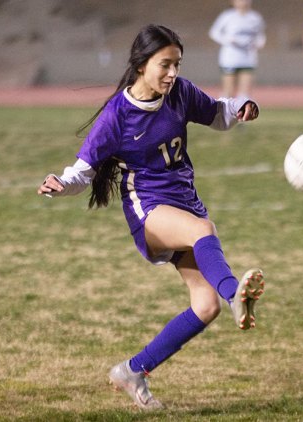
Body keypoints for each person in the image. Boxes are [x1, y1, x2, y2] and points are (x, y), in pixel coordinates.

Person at [37, 24, 265, 410]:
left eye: (177, 64)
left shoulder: (179, 93)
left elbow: (216, 112)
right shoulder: (117, 117)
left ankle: (133, 371)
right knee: (202, 232)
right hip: (149, 210)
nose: (172, 73)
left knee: (203, 306)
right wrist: (62, 183)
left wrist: (241, 107)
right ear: (142, 64)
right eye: (165, 64)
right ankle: (235, 297)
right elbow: (82, 171)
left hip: (185, 201)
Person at [209, 0, 266, 98]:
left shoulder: (255, 17)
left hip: (248, 57)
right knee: (228, 91)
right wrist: (228, 40)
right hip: (230, 58)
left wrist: (258, 44)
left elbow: (260, 35)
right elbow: (214, 32)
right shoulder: (227, 16)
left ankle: (243, 112)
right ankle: (224, 112)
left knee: (244, 93)